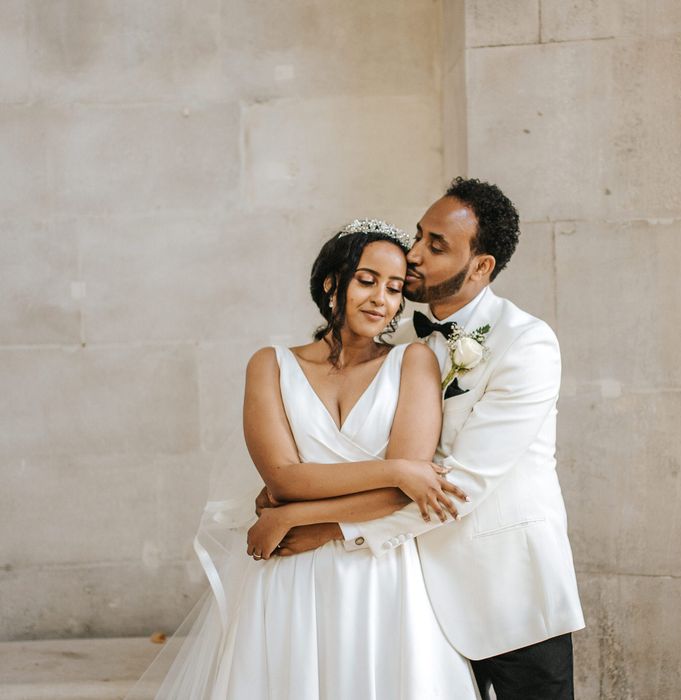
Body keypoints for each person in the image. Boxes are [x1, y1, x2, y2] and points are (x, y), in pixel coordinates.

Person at [260, 179, 585, 699]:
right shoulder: (400, 342)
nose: (413, 255)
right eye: (419, 235)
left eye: (437, 246)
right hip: (409, 595)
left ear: (481, 266)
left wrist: (323, 524)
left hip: (507, 590)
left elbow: (461, 484)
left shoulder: (527, 343)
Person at [130, 219, 480, 699]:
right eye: (367, 280)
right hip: (287, 575)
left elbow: (401, 496)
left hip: (379, 575)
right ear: (332, 284)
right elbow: (283, 478)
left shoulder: (413, 362)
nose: (382, 298)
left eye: (396, 288)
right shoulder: (271, 364)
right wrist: (396, 468)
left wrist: (295, 515)